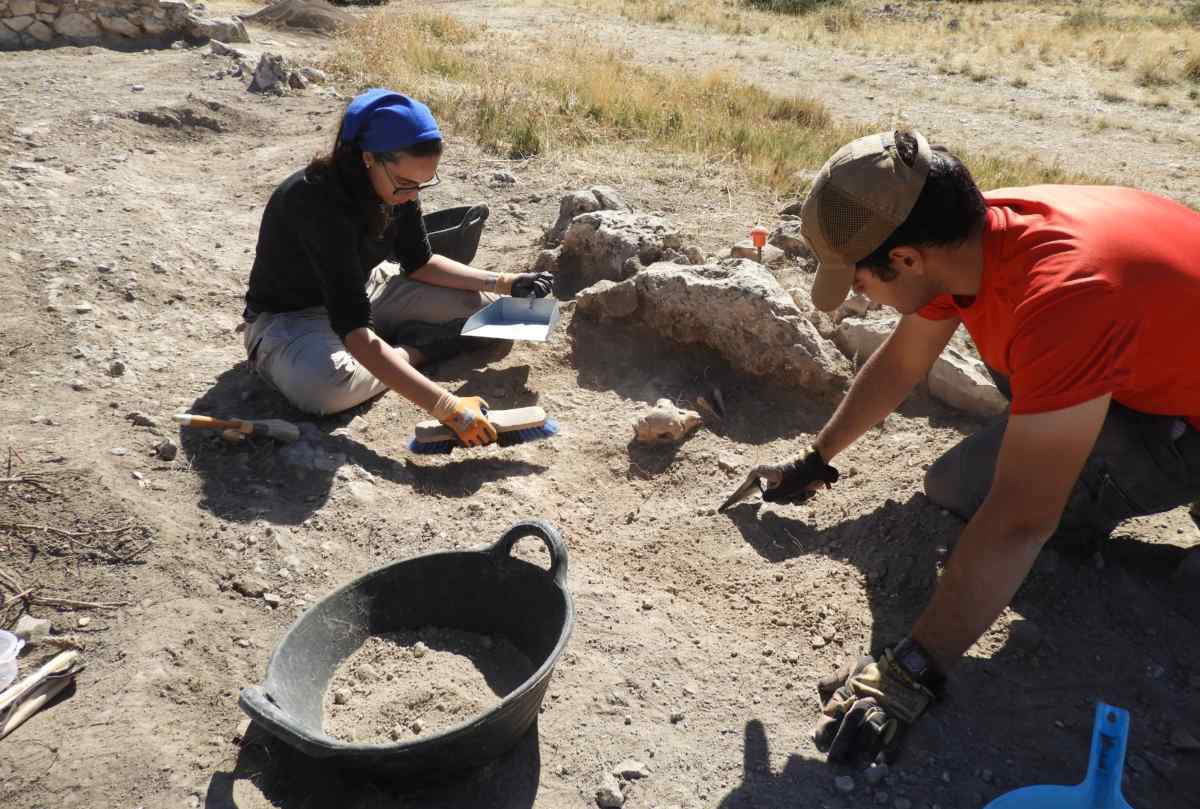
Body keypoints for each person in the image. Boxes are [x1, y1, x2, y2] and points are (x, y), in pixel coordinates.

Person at [750, 128, 1200, 763]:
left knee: (998, 506)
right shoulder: (966, 236)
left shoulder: (1064, 296)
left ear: (904, 259)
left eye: (857, 280)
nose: (856, 294)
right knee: (956, 487)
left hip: (1183, 422)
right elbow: (904, 359)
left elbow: (1019, 521)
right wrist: (817, 457)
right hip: (1155, 356)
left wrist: (911, 669)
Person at [241, 88, 553, 445]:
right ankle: (415, 350)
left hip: (368, 287)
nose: (413, 195)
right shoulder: (317, 204)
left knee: (488, 312)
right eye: (406, 183)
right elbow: (355, 332)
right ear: (369, 158)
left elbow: (420, 262)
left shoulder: (397, 190)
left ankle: (390, 355)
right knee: (325, 390)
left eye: (422, 184)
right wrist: (445, 405)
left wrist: (506, 282)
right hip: (293, 318)